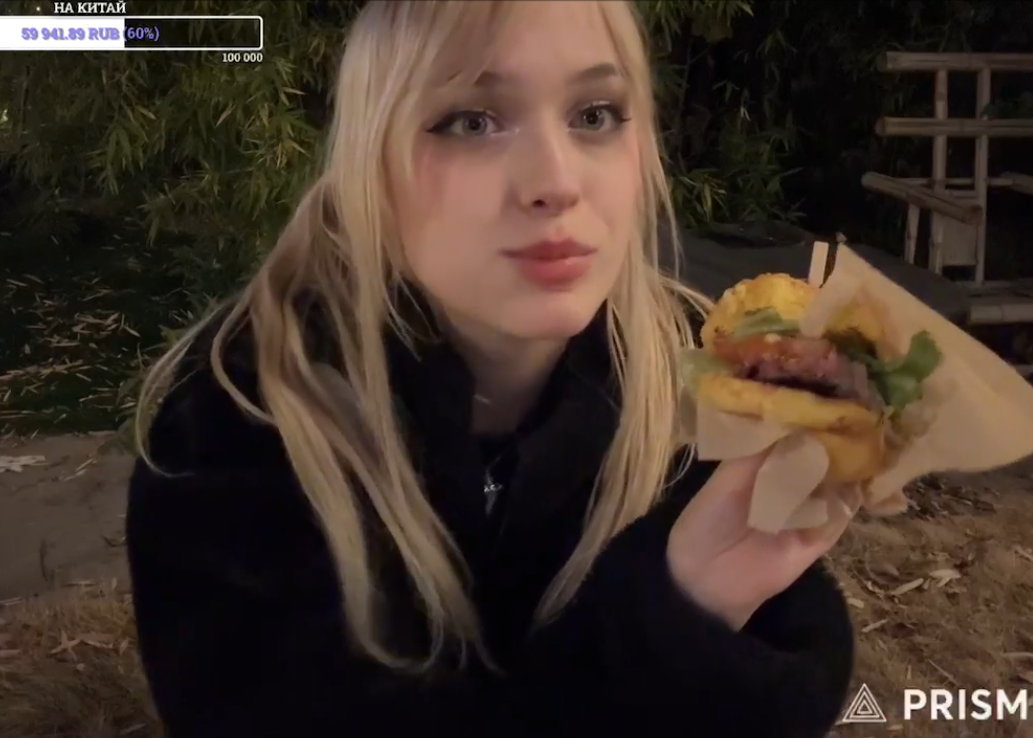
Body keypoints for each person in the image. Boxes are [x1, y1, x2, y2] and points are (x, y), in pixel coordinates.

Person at [125, 2, 856, 737]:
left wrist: (709, 590)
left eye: (595, 115)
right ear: (371, 166)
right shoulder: (239, 418)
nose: (556, 181)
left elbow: (799, 663)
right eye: (472, 122)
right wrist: (668, 621)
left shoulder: (694, 374)